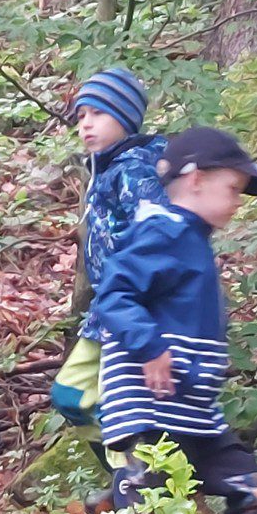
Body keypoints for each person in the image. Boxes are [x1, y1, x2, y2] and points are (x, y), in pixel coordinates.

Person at [61, 126, 257, 514]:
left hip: (195, 414)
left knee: (250, 490)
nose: (237, 202)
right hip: (151, 412)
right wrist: (149, 347)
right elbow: (114, 296)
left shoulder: (191, 240)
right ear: (195, 179)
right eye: (232, 188)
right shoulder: (163, 231)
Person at [49, 67, 167, 474]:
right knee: (70, 395)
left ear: (126, 118)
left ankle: (136, 487)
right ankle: (132, 475)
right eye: (81, 115)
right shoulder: (106, 169)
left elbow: (157, 240)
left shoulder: (136, 172)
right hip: (108, 311)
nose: (86, 124)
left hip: (135, 310)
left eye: (98, 113)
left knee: (123, 409)